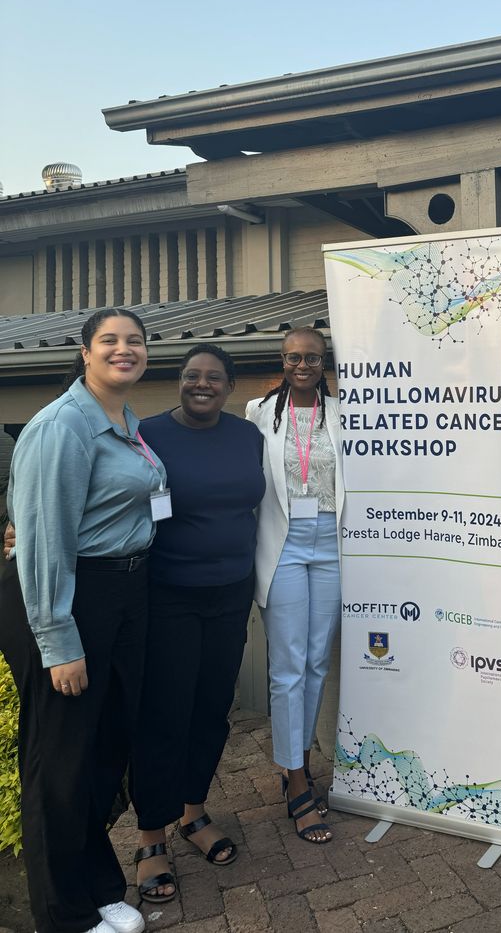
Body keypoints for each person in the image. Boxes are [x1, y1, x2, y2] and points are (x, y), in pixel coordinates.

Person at [0, 308, 166, 933]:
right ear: (85, 350)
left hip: (123, 591)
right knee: (61, 761)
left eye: (135, 341)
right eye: (110, 341)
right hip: (69, 597)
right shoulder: (62, 426)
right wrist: (58, 640)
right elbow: (40, 542)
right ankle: (62, 915)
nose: (125, 350)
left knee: (101, 753)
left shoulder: (123, 419)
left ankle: (96, 888)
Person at [130, 344, 265, 903]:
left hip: (230, 593)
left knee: (212, 710)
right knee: (165, 714)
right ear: (178, 383)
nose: (201, 384)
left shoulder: (248, 437)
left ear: (229, 386)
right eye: (191, 376)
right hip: (169, 596)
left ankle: (193, 813)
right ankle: (150, 836)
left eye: (213, 377)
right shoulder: (147, 435)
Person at [246, 327, 345, 844]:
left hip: (330, 541)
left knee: (315, 661)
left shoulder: (343, 413)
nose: (302, 364)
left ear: (323, 360)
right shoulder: (258, 413)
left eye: (311, 357)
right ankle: (297, 778)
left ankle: (297, 762)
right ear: (282, 361)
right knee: (287, 667)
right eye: (293, 357)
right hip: (283, 544)